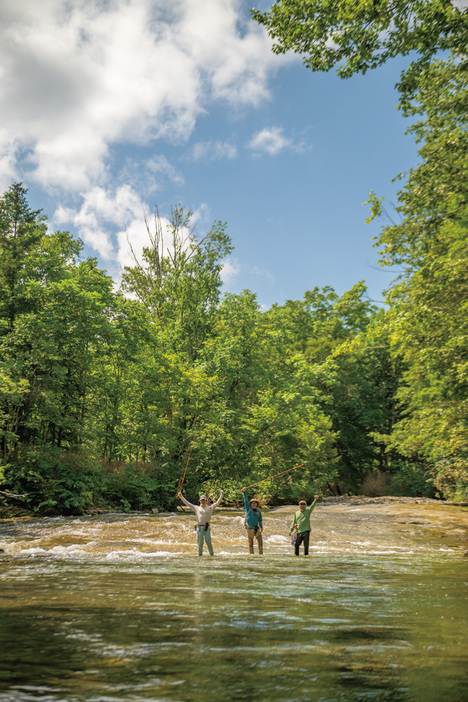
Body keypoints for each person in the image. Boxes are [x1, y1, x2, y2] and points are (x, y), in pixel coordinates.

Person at [178, 490, 223, 556]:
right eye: (201, 500)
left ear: (206, 501)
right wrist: (181, 496)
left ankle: (212, 555)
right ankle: (200, 556)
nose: (203, 501)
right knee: (200, 544)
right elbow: (187, 503)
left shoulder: (210, 508)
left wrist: (221, 495)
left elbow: (217, 502)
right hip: (199, 528)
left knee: (209, 543)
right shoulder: (196, 508)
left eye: (204, 500)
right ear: (199, 501)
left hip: (206, 528)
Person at [241, 487, 263, 554]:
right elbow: (245, 501)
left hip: (257, 528)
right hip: (249, 529)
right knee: (250, 544)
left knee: (260, 543)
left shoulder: (258, 512)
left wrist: (261, 526)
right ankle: (251, 555)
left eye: (255, 503)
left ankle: (261, 554)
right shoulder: (248, 509)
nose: (254, 504)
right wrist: (244, 492)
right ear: (250, 504)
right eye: (252, 503)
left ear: (257, 505)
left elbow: (260, 520)